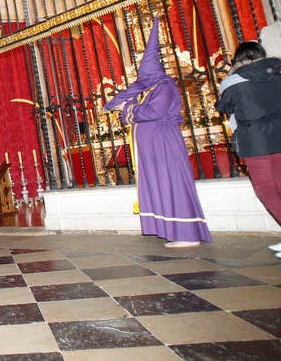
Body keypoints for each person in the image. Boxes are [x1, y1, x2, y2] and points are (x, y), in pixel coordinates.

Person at [104, 17, 211, 248]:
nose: (142, 76)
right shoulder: (149, 88)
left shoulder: (164, 87)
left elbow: (153, 111)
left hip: (164, 144)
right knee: (160, 185)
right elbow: (123, 105)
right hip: (151, 148)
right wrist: (123, 103)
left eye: (146, 72)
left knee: (172, 183)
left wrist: (128, 108)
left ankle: (187, 233)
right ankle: (169, 229)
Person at [215, 41, 281, 256]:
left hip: (256, 141)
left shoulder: (233, 82)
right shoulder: (277, 72)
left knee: (266, 188)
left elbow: (222, 107)